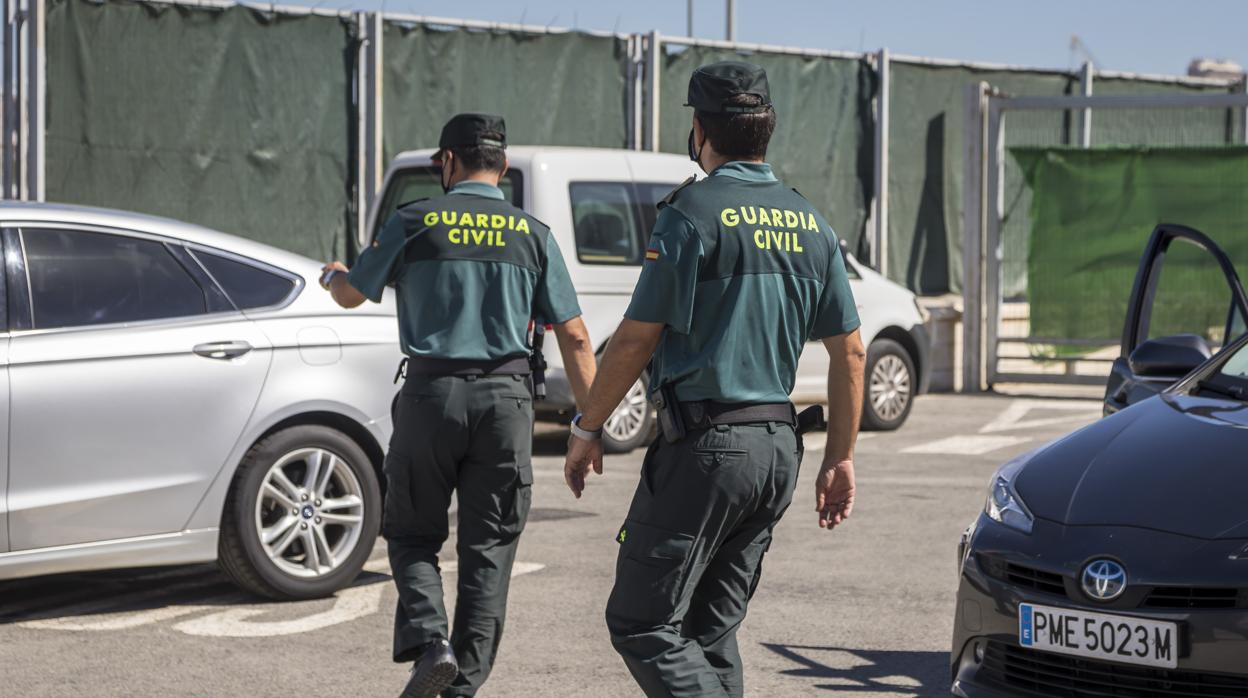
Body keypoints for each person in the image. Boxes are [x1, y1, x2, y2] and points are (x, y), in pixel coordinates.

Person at [562, 62, 867, 697]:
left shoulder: (691, 212)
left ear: (701, 130)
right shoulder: (812, 224)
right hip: (777, 450)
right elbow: (853, 354)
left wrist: (588, 424)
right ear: (767, 130)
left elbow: (637, 338)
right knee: (709, 629)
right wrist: (840, 458)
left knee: (642, 622)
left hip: (706, 450)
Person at [322, 112, 597, 698]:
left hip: (430, 397)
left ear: (448, 162)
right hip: (508, 402)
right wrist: (588, 427)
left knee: (413, 533)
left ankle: (431, 641)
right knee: (490, 550)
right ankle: (460, 687)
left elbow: (351, 294)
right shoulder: (533, 235)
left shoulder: (414, 221)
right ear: (500, 163)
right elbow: (574, 337)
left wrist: (333, 277)